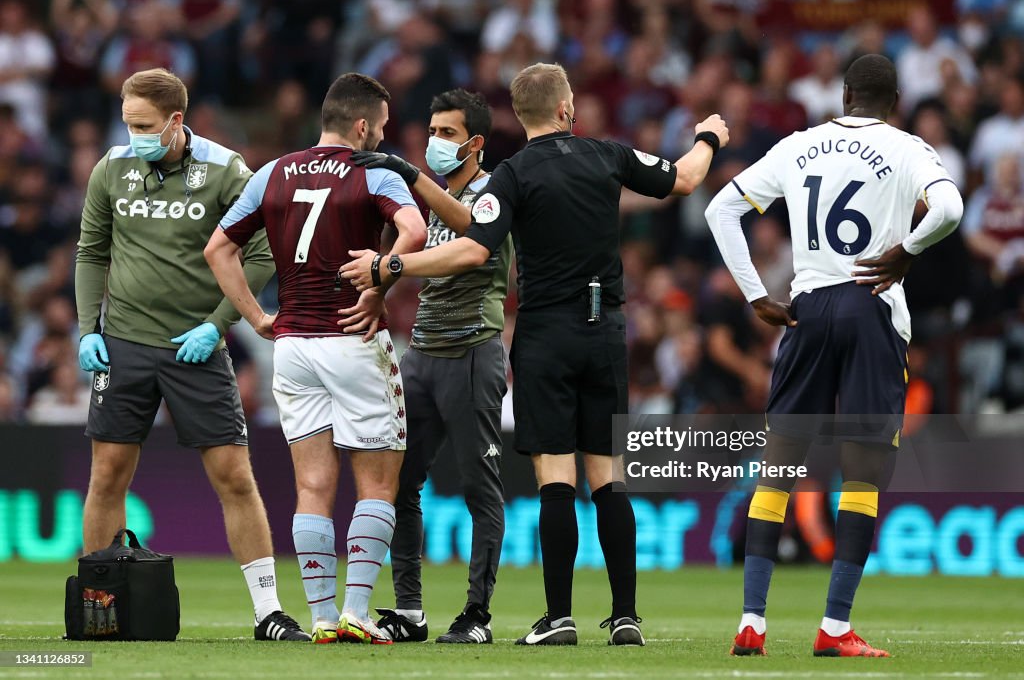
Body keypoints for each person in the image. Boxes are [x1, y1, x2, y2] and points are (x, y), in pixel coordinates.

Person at [342, 62, 729, 647]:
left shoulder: (513, 177)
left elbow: (472, 249)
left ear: (518, 119)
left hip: (546, 333)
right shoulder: (609, 155)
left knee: (555, 476)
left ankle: (560, 618)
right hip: (606, 329)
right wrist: (708, 137)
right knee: (606, 476)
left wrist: (389, 264)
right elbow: (684, 179)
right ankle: (625, 617)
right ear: (567, 110)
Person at [704, 54, 963, 658]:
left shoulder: (799, 145)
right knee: (864, 471)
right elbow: (949, 209)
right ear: (895, 100)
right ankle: (836, 627)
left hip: (807, 305)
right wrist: (907, 250)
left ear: (844, 94)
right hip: (871, 306)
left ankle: (752, 623)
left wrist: (754, 296)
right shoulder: (908, 149)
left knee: (781, 467)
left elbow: (722, 209)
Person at [75, 68, 309, 641]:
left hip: (195, 347)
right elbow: (91, 251)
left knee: (233, 475)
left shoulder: (227, 171)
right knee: (107, 474)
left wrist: (218, 324)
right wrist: (88, 328)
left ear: (176, 121)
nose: (135, 136)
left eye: (145, 125)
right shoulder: (111, 168)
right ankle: (101, 609)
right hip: (123, 342)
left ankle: (267, 613)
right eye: (128, 124)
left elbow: (263, 252)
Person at [204, 72, 427, 645]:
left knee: (312, 486)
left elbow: (218, 249)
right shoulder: (372, 170)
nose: (381, 137)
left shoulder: (272, 172)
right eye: (379, 127)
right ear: (361, 125)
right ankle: (356, 610)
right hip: (350, 338)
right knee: (377, 485)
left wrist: (257, 317)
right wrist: (378, 285)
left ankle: (323, 618)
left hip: (293, 347)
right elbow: (414, 229)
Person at [353, 89, 510, 644]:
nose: (435, 142)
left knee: (479, 489)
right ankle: (411, 610)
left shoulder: (494, 193)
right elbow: (419, 249)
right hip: (423, 357)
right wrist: (380, 290)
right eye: (432, 131)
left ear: (475, 143)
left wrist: (408, 175)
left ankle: (477, 616)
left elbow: (470, 234)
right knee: (399, 483)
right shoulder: (439, 196)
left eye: (447, 134)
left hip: (472, 354)